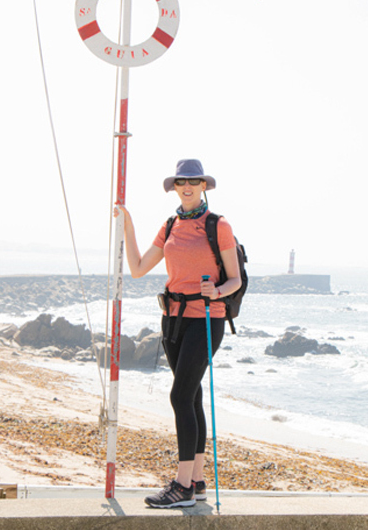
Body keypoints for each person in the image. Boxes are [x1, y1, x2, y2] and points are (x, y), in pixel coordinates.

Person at [114, 159, 242, 508]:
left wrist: (217, 292)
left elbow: (235, 279)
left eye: (194, 182)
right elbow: (139, 268)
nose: (187, 187)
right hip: (173, 319)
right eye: (181, 182)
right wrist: (128, 224)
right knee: (192, 397)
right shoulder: (170, 225)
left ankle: (182, 485)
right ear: (174, 187)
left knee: (180, 397)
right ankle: (197, 481)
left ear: (204, 186)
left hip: (206, 319)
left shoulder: (218, 225)